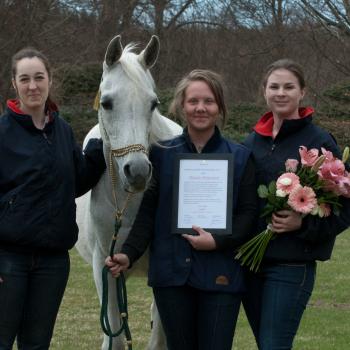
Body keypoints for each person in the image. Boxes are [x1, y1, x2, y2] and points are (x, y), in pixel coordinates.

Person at [105, 69, 257, 350]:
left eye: (209, 101)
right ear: (180, 106)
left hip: (221, 275)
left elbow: (248, 216)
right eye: (193, 101)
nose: (200, 108)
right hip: (171, 277)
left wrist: (218, 240)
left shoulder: (240, 157)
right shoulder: (160, 155)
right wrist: (127, 253)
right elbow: (148, 213)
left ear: (219, 107)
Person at [0, 48, 106, 349]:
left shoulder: (62, 130)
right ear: (14, 83)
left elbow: (75, 182)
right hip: (8, 259)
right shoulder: (3, 134)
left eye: (38, 78)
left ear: (49, 80)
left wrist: (98, 152)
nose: (32, 86)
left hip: (53, 261)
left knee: (37, 344)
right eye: (25, 79)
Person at [242, 58, 350, 350]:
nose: (280, 92)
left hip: (291, 264)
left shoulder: (319, 141)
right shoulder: (250, 143)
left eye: (289, 86)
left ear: (302, 92)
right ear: (264, 91)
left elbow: (344, 206)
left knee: (274, 345)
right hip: (250, 265)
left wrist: (303, 223)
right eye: (274, 86)